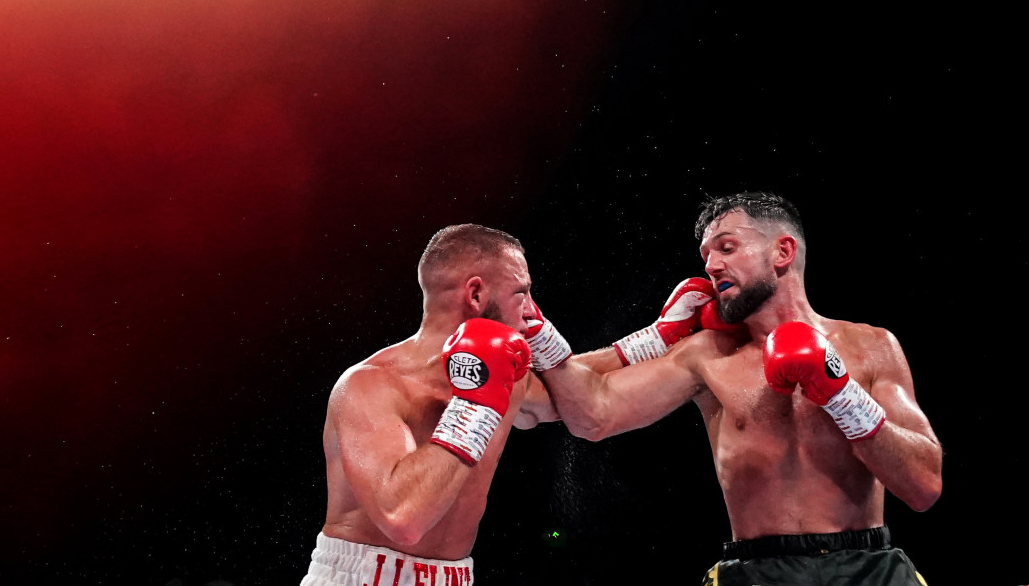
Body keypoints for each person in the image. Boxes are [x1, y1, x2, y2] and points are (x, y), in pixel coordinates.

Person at [528, 192, 942, 585]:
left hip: (871, 567)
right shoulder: (706, 355)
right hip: (758, 571)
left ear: (783, 252)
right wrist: (548, 337)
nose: (711, 265)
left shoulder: (872, 346)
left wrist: (842, 395)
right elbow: (593, 413)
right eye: (706, 255)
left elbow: (924, 486)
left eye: (726, 248)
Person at [301, 223, 617, 586]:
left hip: (454, 576)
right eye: (521, 292)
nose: (531, 312)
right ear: (477, 294)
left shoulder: (507, 377)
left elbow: (586, 385)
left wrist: (663, 337)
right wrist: (475, 404)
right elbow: (402, 518)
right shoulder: (369, 385)